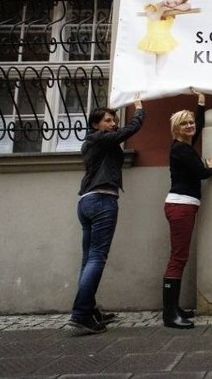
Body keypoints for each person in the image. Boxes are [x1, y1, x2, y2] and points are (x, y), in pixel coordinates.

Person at [69, 96, 145, 335]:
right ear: (95, 125)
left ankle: (89, 309)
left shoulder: (94, 141)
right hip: (101, 200)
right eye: (108, 120)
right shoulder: (99, 139)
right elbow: (129, 130)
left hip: (87, 202)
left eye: (114, 120)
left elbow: (119, 136)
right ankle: (81, 314)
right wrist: (140, 110)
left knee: (88, 259)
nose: (113, 124)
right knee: (97, 258)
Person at [162, 87, 212, 329]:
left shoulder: (184, 146)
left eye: (190, 123)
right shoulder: (181, 149)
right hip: (181, 206)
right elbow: (202, 173)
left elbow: (198, 124)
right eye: (184, 124)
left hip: (183, 205)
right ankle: (169, 315)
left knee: (179, 256)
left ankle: (174, 308)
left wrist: (200, 102)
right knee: (178, 258)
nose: (190, 126)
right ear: (176, 129)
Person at [138, 0, 193, 79]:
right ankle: (149, 87)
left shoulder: (171, 10)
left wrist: (173, 7)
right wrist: (163, 9)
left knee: (159, 71)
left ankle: (157, 86)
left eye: (176, 2)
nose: (172, 1)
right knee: (149, 69)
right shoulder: (151, 6)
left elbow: (188, 6)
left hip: (165, 43)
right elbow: (154, 18)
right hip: (150, 42)